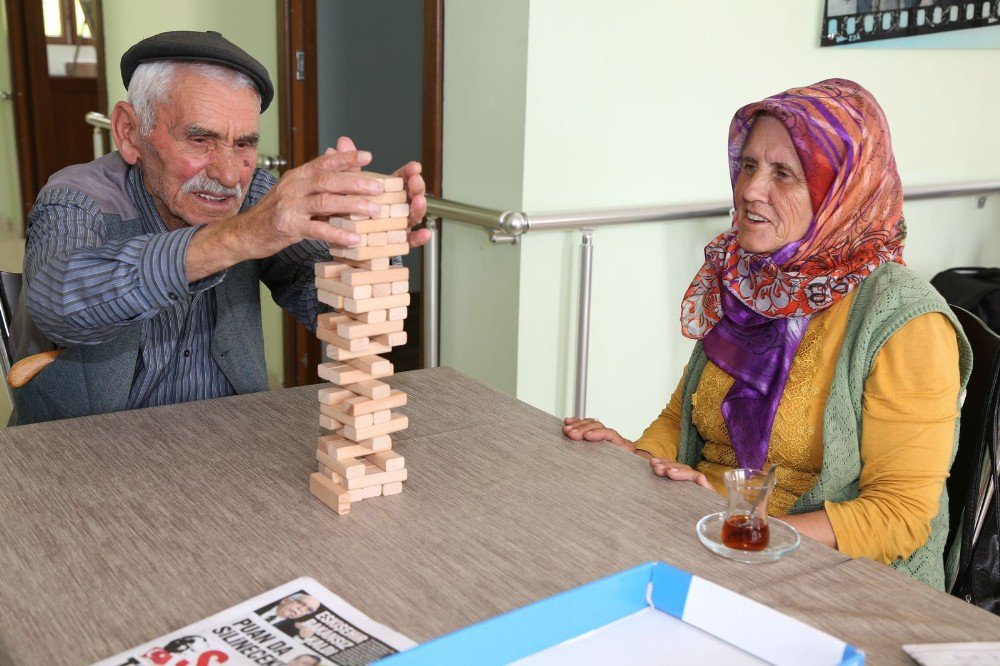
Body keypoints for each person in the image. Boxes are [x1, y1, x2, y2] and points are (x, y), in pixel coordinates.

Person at [563, 79, 971, 590]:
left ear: (841, 192)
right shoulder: (750, 278)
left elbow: (900, 516)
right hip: (708, 538)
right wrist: (639, 461)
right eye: (749, 166)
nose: (751, 189)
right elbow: (684, 418)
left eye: (784, 174)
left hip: (835, 578)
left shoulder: (906, 322)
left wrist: (746, 531)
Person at [10, 30, 428, 425]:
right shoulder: (76, 197)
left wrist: (365, 245)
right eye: (199, 140)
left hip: (228, 435)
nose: (229, 176)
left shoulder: (256, 194)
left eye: (244, 143)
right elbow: (58, 304)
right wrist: (239, 236)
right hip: (89, 452)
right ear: (129, 132)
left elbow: (326, 307)